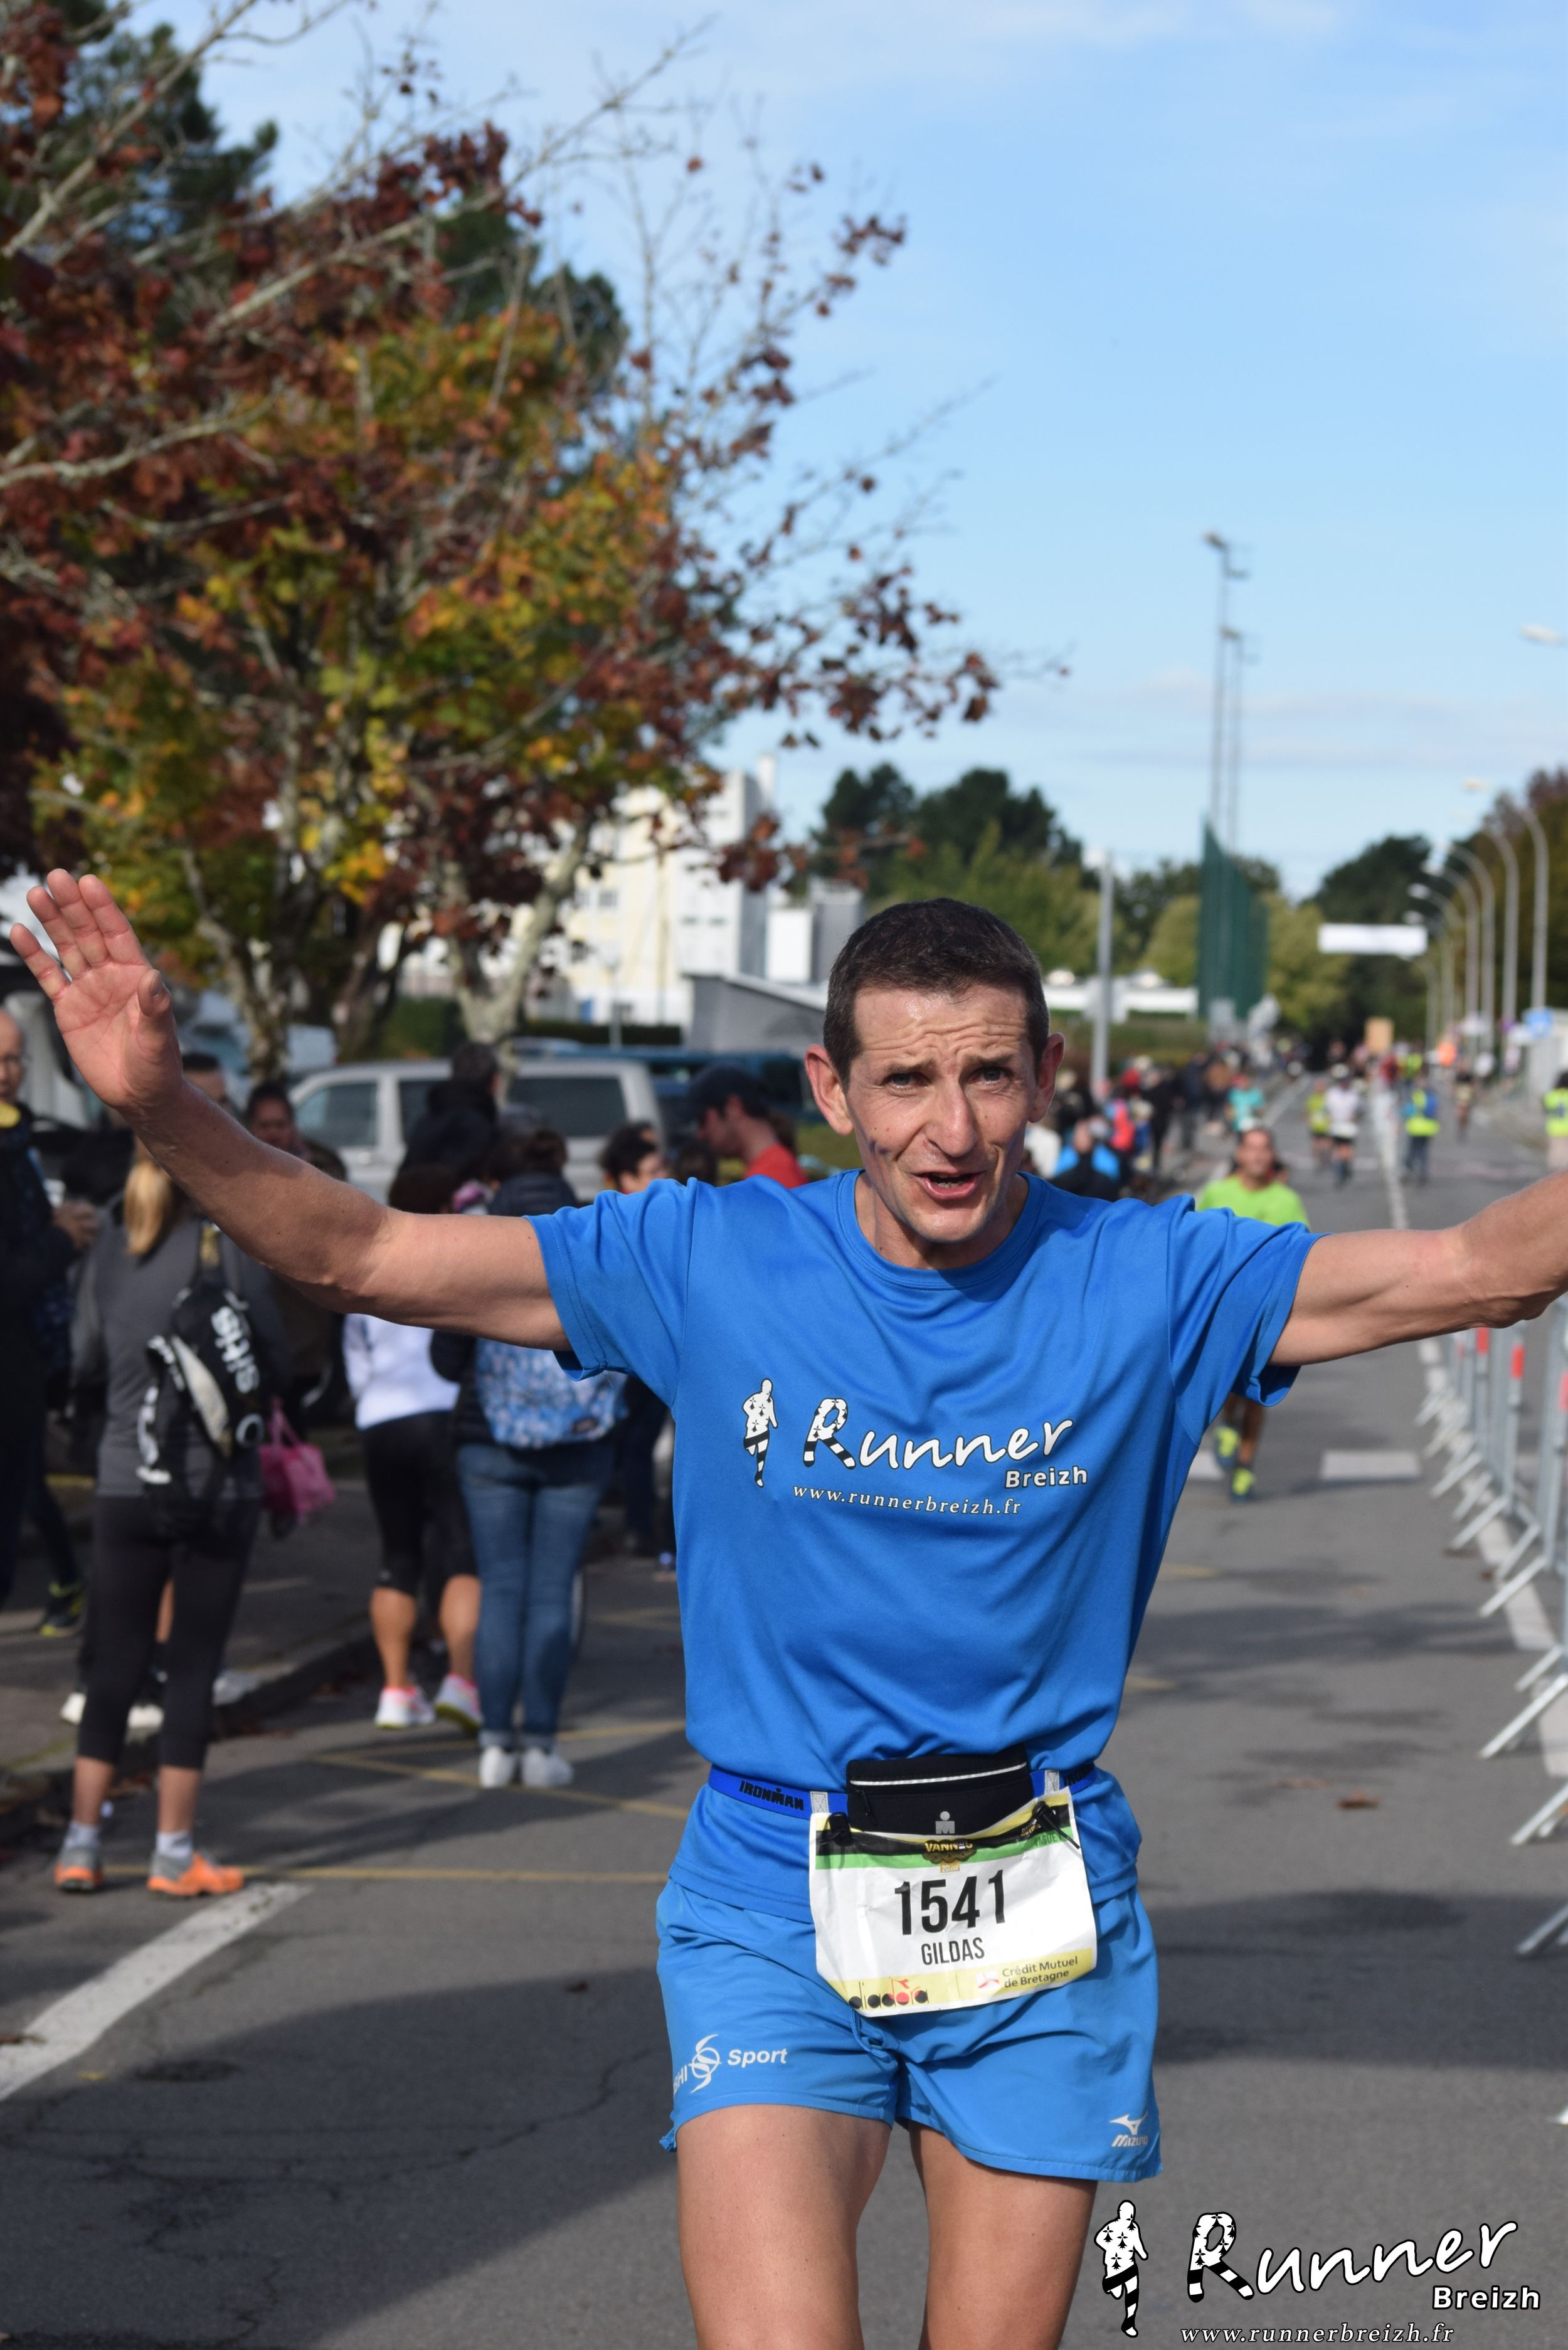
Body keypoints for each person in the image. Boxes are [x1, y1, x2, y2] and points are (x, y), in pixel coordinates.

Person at [26, 871, 1568, 2350]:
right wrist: (163, 1104)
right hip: (773, 1886)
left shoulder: (1150, 1274)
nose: (950, 1129)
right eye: (906, 1080)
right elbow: (363, 1252)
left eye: (988, 1076)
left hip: (1032, 1893)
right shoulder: (709, 1253)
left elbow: (1476, 1267)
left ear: (1043, 1074)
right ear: (831, 1087)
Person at [53, 1140, 287, 1896]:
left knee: (113, 1664)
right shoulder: (227, 1249)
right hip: (216, 1485)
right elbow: (273, 1359)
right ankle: (174, 1851)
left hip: (125, 1479)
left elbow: (84, 1357)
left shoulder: (110, 1247)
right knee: (192, 1666)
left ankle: (81, 1844)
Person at [433, 1174, 623, 1789]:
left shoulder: (479, 1266)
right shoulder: (592, 1263)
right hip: (580, 1447)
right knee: (551, 1593)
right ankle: (540, 1744)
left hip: (488, 1443)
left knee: (501, 1588)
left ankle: (494, 1744)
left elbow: (444, 1362)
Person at [343, 1162, 480, 1732]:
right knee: (461, 1551)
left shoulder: (370, 1265)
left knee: (397, 1554)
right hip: (441, 1412)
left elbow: (355, 1360)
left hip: (381, 1419)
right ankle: (461, 1681)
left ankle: (396, 1689)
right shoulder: (456, 1261)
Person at [0, 1003, 98, 1631]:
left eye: (14, 1059)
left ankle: (68, 1580)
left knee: (26, 1482)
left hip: (22, 1369)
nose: (5, 1073)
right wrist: (61, 1240)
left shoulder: (18, 1141)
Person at [1196, 1129, 1310, 1500]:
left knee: (1258, 1396)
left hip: (1269, 1315)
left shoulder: (1287, 1200)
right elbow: (1197, 1248)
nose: (1259, 1156)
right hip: (1225, 1313)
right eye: (1252, 1148)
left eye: (1265, 1149)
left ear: (1273, 1155)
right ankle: (1227, 1423)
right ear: (1240, 1154)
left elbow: (1304, 1255)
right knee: (1232, 1385)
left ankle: (1245, 1466)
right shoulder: (1218, 1194)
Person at [601, 1125, 672, 1555]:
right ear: (627, 1178)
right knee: (637, 1441)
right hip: (633, 1351)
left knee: (639, 1440)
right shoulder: (623, 1222)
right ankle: (640, 1527)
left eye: (664, 1167)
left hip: (646, 1347)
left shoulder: (650, 1216)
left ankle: (640, 1524)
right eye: (653, 1171)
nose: (664, 1177)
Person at [687, 1062, 807, 1187]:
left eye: (702, 1120)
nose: (700, 1134)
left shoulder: (770, 1179)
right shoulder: (772, 1171)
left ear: (733, 1108)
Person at [399, 1040, 502, 1183]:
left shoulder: (426, 1122)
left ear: (451, 1075)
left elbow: (404, 1179)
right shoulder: (480, 1127)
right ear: (495, 1082)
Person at [1051, 1118, 1120, 1201]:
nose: (1080, 1138)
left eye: (1085, 1134)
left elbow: (1112, 1180)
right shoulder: (1066, 1154)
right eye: (1077, 1134)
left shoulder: (1107, 1158)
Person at [1323, 1063, 1360, 1187]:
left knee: (1348, 1150)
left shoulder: (1353, 1094)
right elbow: (1327, 1110)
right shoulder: (1332, 1094)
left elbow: (1360, 1110)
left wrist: (1355, 1117)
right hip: (1336, 1127)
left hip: (1349, 1128)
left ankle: (1346, 1168)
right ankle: (1339, 1172)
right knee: (1338, 1151)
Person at [1403, 1072, 1439, 1184]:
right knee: (1423, 1152)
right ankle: (1422, 1174)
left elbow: (1409, 1111)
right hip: (1427, 1129)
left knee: (1413, 1153)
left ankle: (1410, 1173)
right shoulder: (1432, 1095)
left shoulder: (1417, 1095)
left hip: (1417, 1128)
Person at [1305, 1078, 1332, 1171]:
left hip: (1326, 1125)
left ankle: (1325, 1158)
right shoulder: (1312, 1099)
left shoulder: (1328, 1098)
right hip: (1315, 1125)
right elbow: (1308, 1111)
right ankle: (1317, 1160)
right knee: (1316, 1143)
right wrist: (1308, 1120)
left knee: (1326, 1144)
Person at [1544, 1070, 1568, 1175]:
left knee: (1555, 1153)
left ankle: (1554, 1176)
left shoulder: (1551, 1095)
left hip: (1554, 1128)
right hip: (1567, 1127)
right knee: (1566, 1154)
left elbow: (1546, 1109)